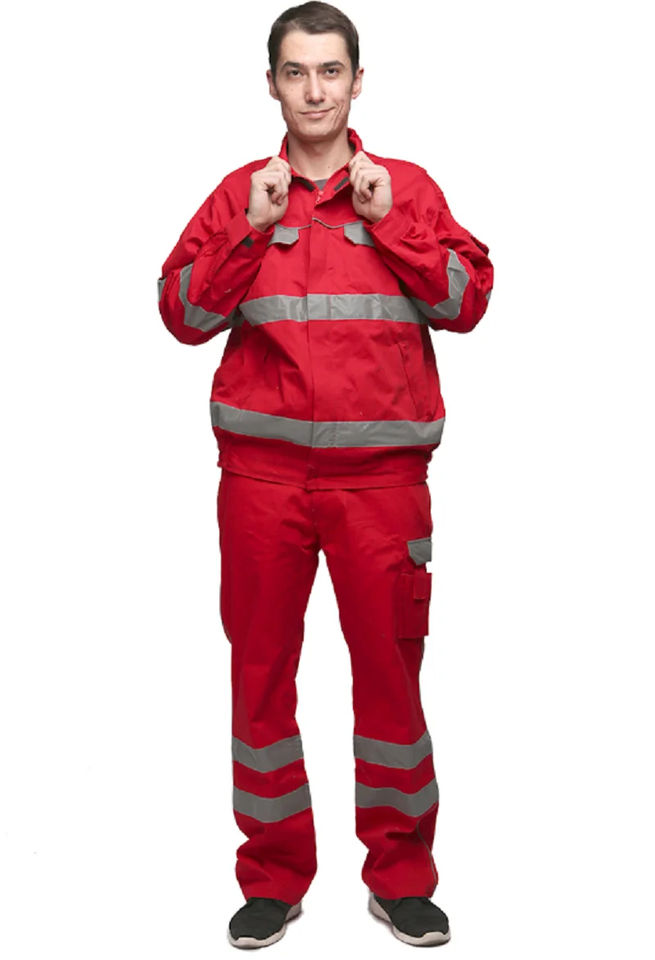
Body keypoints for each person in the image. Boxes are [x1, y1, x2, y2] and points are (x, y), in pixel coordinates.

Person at [157, 1, 493, 949]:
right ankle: (272, 878)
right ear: (271, 83)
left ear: (357, 81)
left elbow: (468, 301)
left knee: (390, 681)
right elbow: (181, 316)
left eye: (330, 71)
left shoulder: (406, 189)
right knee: (260, 677)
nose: (314, 91)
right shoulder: (240, 195)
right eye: (296, 72)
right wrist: (248, 232)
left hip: (381, 488)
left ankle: (401, 878)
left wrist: (392, 226)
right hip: (260, 485)